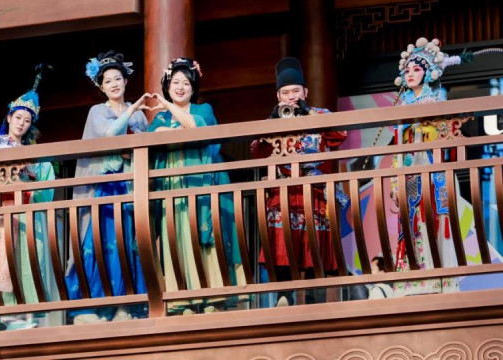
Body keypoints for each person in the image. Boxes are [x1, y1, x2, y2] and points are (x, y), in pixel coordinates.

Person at [149, 57, 245, 314]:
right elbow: (154, 137)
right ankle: (182, 301)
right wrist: (177, 128)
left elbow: (196, 128)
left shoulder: (203, 110)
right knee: (176, 237)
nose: (180, 87)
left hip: (202, 185)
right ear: (167, 85)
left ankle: (213, 298)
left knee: (205, 234)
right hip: (172, 187)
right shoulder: (160, 118)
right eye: (175, 82)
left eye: (186, 83)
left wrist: (168, 107)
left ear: (193, 88)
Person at [250, 57, 348, 306]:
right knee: (282, 243)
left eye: (296, 91)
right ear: (278, 96)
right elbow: (257, 151)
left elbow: (340, 135)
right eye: (285, 93)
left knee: (315, 245)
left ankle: (316, 298)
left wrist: (308, 114)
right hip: (284, 190)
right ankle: (284, 295)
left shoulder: (320, 114)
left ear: (306, 92)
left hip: (315, 192)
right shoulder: (275, 119)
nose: (291, 96)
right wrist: (272, 122)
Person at [64, 51, 150, 324]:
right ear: (101, 87)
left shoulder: (139, 117)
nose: (113, 84)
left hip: (130, 186)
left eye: (117, 78)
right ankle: (91, 307)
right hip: (104, 186)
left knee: (128, 243)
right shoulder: (98, 112)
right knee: (99, 242)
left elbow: (145, 147)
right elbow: (108, 135)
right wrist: (131, 111)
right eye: (108, 81)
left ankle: (125, 304)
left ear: (126, 81)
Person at [0, 66, 56, 329]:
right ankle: (7, 315)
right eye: (18, 117)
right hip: (4, 210)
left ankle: (26, 315)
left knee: (29, 258)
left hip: (27, 213)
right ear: (9, 116)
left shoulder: (35, 156)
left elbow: (47, 187)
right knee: (5, 257)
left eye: (27, 120)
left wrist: (34, 189)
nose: (21, 123)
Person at [391, 37, 459, 295]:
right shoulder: (401, 105)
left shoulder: (438, 98)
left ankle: (439, 280)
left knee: (434, 218)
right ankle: (413, 281)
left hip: (432, 169)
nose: (410, 74)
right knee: (411, 220)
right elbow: (397, 147)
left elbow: (446, 139)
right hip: (409, 171)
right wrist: (395, 182)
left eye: (417, 69)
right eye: (407, 70)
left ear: (428, 72)